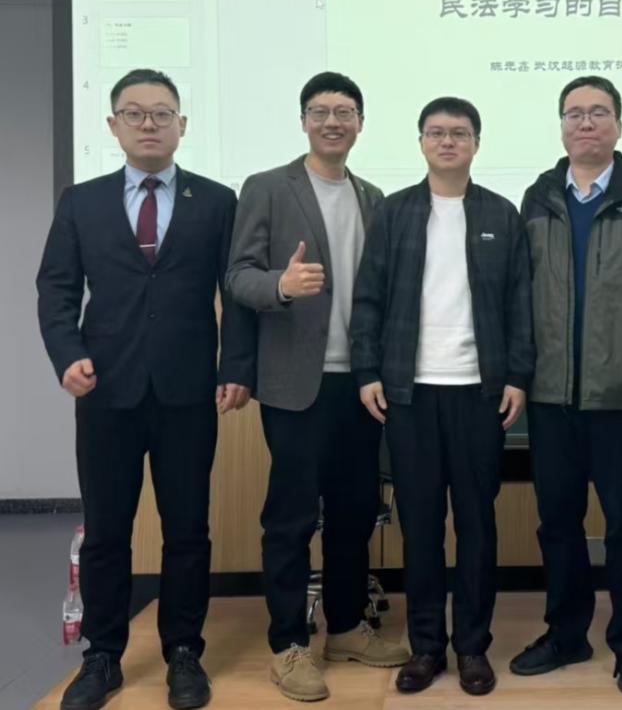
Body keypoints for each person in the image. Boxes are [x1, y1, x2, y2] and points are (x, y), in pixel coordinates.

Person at [37, 68, 256, 710]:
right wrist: (66, 355)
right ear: (113, 125)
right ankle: (102, 655)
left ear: (182, 125)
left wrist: (236, 366)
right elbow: (56, 288)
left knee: (187, 530)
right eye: (134, 113)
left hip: (188, 392)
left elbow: (236, 293)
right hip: (105, 390)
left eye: (162, 113)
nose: (149, 124)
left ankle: (184, 652)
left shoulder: (216, 201)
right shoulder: (81, 201)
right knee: (107, 531)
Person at [226, 72, 408, 703]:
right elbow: (237, 277)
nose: (333, 121)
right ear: (303, 120)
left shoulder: (373, 196)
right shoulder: (267, 187)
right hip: (295, 384)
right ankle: (288, 643)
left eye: (345, 111)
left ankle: (348, 627)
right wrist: (280, 285)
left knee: (356, 512)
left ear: (360, 122)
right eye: (321, 111)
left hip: (360, 384)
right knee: (292, 517)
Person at [350, 97, 533, 696]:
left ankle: (472, 646)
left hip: (480, 393)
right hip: (409, 393)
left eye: (459, 132)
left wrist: (517, 376)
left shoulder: (501, 213)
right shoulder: (395, 212)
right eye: (436, 132)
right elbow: (369, 297)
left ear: (476, 142)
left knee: (477, 524)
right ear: (421, 142)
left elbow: (520, 303)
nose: (447, 141)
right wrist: (367, 370)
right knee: (421, 524)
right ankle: (426, 646)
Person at [511, 76, 622, 697]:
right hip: (550, 397)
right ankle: (566, 634)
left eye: (599, 112)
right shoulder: (538, 197)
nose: (586, 123)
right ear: (561, 126)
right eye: (574, 113)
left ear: (618, 125)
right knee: (558, 523)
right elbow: (520, 296)